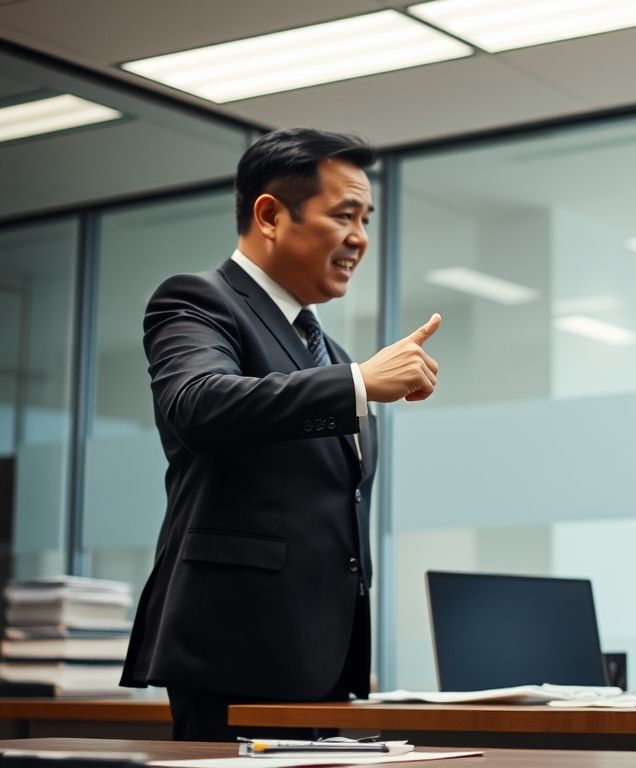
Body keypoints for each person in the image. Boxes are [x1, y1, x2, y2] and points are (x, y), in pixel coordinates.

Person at [121, 128, 443, 741]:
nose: (360, 239)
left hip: (322, 659)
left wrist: (353, 377)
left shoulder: (329, 350)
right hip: (232, 650)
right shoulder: (197, 300)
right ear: (269, 214)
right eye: (344, 215)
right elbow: (197, 404)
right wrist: (357, 383)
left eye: (367, 219)